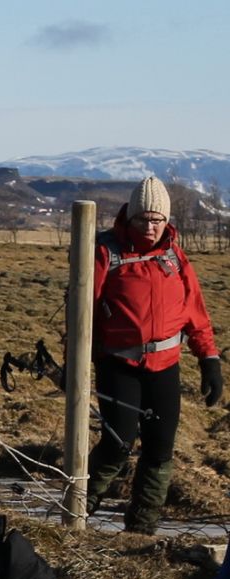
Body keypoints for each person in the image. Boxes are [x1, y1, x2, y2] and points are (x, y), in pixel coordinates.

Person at [87, 177, 222, 537]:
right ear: (130, 217)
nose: (150, 226)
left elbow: (195, 311)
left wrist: (209, 359)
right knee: (118, 444)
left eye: (157, 220)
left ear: (167, 220)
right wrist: (76, 361)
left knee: (160, 447)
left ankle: (141, 530)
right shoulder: (106, 253)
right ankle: (77, 510)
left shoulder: (174, 256)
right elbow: (82, 312)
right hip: (118, 364)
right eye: (143, 219)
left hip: (165, 366)